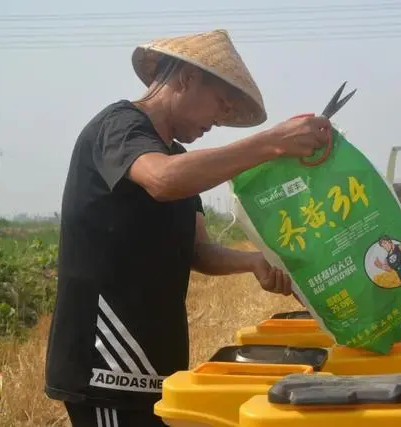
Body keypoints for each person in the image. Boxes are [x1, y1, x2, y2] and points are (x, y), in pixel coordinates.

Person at [44, 29, 331, 427]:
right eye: (220, 104)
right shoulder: (119, 127)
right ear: (186, 79)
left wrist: (254, 262)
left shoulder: (178, 158)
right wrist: (272, 143)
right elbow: (162, 180)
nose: (219, 120)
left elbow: (198, 251)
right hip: (107, 364)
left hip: (155, 363)